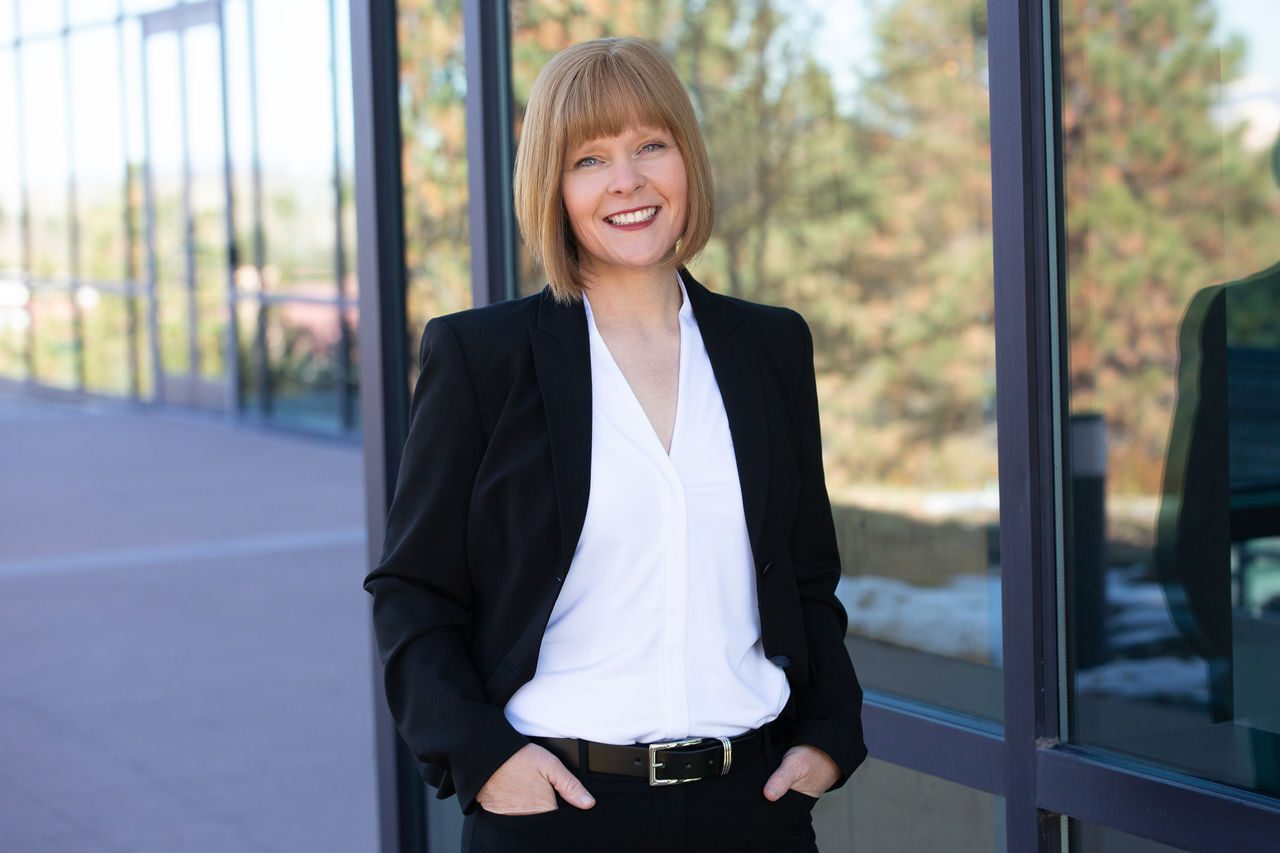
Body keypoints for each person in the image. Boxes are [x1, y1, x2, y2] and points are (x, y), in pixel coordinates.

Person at [364, 37, 866, 852]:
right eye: (589, 159)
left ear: (686, 160)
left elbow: (808, 572)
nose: (626, 180)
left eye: (650, 146)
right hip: (556, 813)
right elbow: (412, 589)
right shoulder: (483, 359)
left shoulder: (770, 347)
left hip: (752, 809)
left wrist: (830, 732)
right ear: (554, 188)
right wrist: (481, 756)